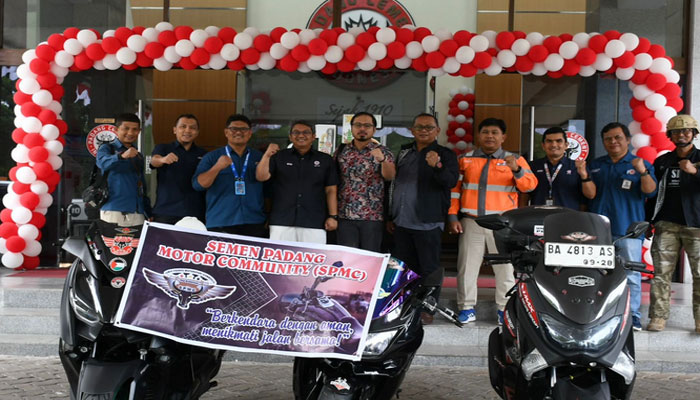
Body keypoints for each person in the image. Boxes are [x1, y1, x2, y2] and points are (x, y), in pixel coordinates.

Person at [448, 118, 538, 325]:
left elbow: (530, 186)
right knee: (467, 267)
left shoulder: (514, 159)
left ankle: (504, 309)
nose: (490, 136)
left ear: (503, 137)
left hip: (501, 224)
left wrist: (516, 169)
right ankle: (466, 308)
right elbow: (454, 191)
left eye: (495, 132)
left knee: (505, 269)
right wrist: (452, 216)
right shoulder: (465, 159)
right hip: (472, 221)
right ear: (479, 136)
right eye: (485, 132)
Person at [388, 113, 459, 323]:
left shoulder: (445, 154)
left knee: (429, 268)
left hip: (428, 221)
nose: (424, 131)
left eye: (429, 127)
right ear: (412, 130)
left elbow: (450, 181)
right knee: (403, 268)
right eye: (419, 127)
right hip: (401, 220)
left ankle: (428, 309)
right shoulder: (404, 152)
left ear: (437, 131)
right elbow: (393, 183)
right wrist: (390, 215)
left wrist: (437, 166)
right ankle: (403, 306)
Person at [589, 122, 657, 331]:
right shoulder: (596, 165)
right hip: (598, 230)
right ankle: (598, 316)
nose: (613, 142)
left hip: (628, 230)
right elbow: (588, 194)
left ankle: (633, 315)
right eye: (608, 139)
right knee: (598, 274)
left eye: (618, 137)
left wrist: (642, 172)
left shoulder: (640, 164)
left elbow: (651, 191)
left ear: (627, 140)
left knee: (631, 276)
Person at [646, 115, 700, 333]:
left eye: (687, 131)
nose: (682, 134)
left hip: (697, 225)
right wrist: (649, 221)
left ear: (694, 133)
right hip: (666, 224)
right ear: (670, 135)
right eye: (676, 131)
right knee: (661, 273)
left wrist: (695, 172)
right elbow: (653, 194)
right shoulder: (663, 161)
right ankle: (658, 317)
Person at [256, 120, 338, 244]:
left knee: (312, 256)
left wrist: (333, 216)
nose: (301, 135)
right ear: (290, 137)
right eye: (296, 132)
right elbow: (261, 177)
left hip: (314, 221)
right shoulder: (278, 157)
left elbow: (331, 190)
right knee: (281, 256)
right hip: (282, 220)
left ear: (313, 136)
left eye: (306, 132)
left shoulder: (325, 160)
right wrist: (267, 155)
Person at [192, 114, 266, 236]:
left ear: (250, 133)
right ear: (226, 132)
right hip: (221, 221)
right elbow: (198, 185)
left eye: (243, 129)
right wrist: (217, 167)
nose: (239, 132)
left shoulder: (259, 157)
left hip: (253, 221)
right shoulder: (212, 157)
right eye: (233, 129)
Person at [335, 112, 396, 252]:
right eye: (358, 125)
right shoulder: (342, 150)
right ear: (351, 128)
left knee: (370, 258)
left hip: (372, 216)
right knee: (347, 259)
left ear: (374, 129)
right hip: (344, 215)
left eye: (367, 125)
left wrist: (382, 160)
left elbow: (390, 176)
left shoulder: (383, 151)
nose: (362, 129)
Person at [150, 114, 207, 224]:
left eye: (192, 128)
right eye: (183, 126)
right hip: (166, 211)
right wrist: (163, 159)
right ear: (175, 130)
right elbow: (154, 161)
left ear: (197, 132)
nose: (187, 130)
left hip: (195, 213)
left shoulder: (203, 154)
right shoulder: (163, 148)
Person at [97, 113, 150, 226]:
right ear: (116, 130)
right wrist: (121, 156)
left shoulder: (138, 155)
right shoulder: (107, 148)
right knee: (111, 239)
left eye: (135, 129)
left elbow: (142, 185)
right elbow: (102, 163)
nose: (130, 133)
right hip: (114, 209)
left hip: (137, 211)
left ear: (139, 131)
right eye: (126, 128)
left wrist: (147, 210)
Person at [524, 127, 595, 209]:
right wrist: (522, 214)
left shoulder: (576, 166)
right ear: (543, 146)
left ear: (566, 145)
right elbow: (524, 194)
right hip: (539, 215)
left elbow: (591, 195)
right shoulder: (532, 166)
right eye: (549, 141)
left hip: (568, 215)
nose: (554, 145)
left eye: (558, 141)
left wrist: (584, 176)